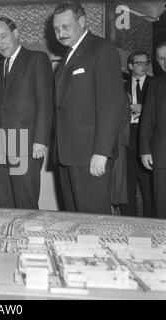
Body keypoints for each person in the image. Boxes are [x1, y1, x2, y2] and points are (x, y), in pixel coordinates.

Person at [52, 1, 126, 214]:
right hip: (68, 154)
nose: (60, 33)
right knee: (76, 219)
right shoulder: (68, 55)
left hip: (90, 155)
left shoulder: (102, 50)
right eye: (56, 29)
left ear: (82, 22)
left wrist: (101, 152)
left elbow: (111, 105)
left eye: (65, 26)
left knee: (94, 220)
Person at [0, 17, 53, 209]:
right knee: (3, 203)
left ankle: (28, 239)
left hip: (25, 145)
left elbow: (45, 102)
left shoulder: (37, 59)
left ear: (16, 34)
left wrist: (40, 140)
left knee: (25, 204)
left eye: (4, 36)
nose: (0, 43)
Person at [119, 51, 154, 217]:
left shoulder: (156, 84)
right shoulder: (120, 85)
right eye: (140, 63)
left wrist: (144, 108)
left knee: (150, 189)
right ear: (130, 66)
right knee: (127, 187)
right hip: (127, 140)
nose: (144, 66)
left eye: (146, 62)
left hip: (148, 141)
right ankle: (128, 225)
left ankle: (153, 227)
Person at [139, 41, 166, 219]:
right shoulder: (155, 84)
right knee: (162, 207)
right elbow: (147, 120)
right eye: (162, 58)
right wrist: (145, 150)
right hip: (162, 156)